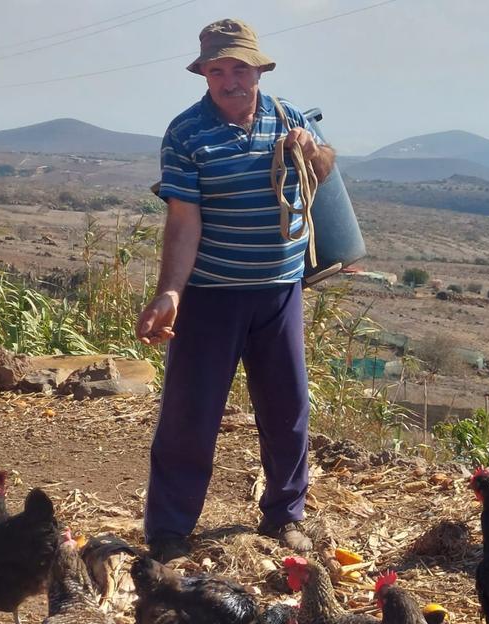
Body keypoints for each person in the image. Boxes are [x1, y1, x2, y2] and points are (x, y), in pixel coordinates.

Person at [136, 18, 335, 563]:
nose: (230, 81)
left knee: (288, 406)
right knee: (190, 411)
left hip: (279, 290)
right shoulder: (185, 133)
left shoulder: (287, 115)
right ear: (203, 75)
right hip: (211, 294)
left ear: (258, 70)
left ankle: (285, 515)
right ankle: (170, 529)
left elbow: (323, 167)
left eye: (239, 68)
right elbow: (184, 220)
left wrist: (310, 150)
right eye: (217, 70)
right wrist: (171, 293)